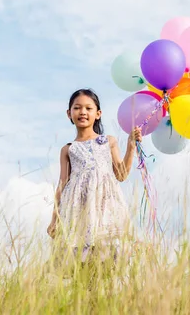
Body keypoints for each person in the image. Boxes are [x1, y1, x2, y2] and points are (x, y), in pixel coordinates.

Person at [47, 88, 142, 264]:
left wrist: (131, 146)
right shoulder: (68, 149)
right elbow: (62, 185)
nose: (83, 112)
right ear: (69, 113)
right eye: (77, 108)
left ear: (98, 114)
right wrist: (54, 219)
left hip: (105, 206)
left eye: (88, 108)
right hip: (78, 209)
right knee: (81, 260)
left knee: (107, 256)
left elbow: (121, 175)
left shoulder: (108, 142)